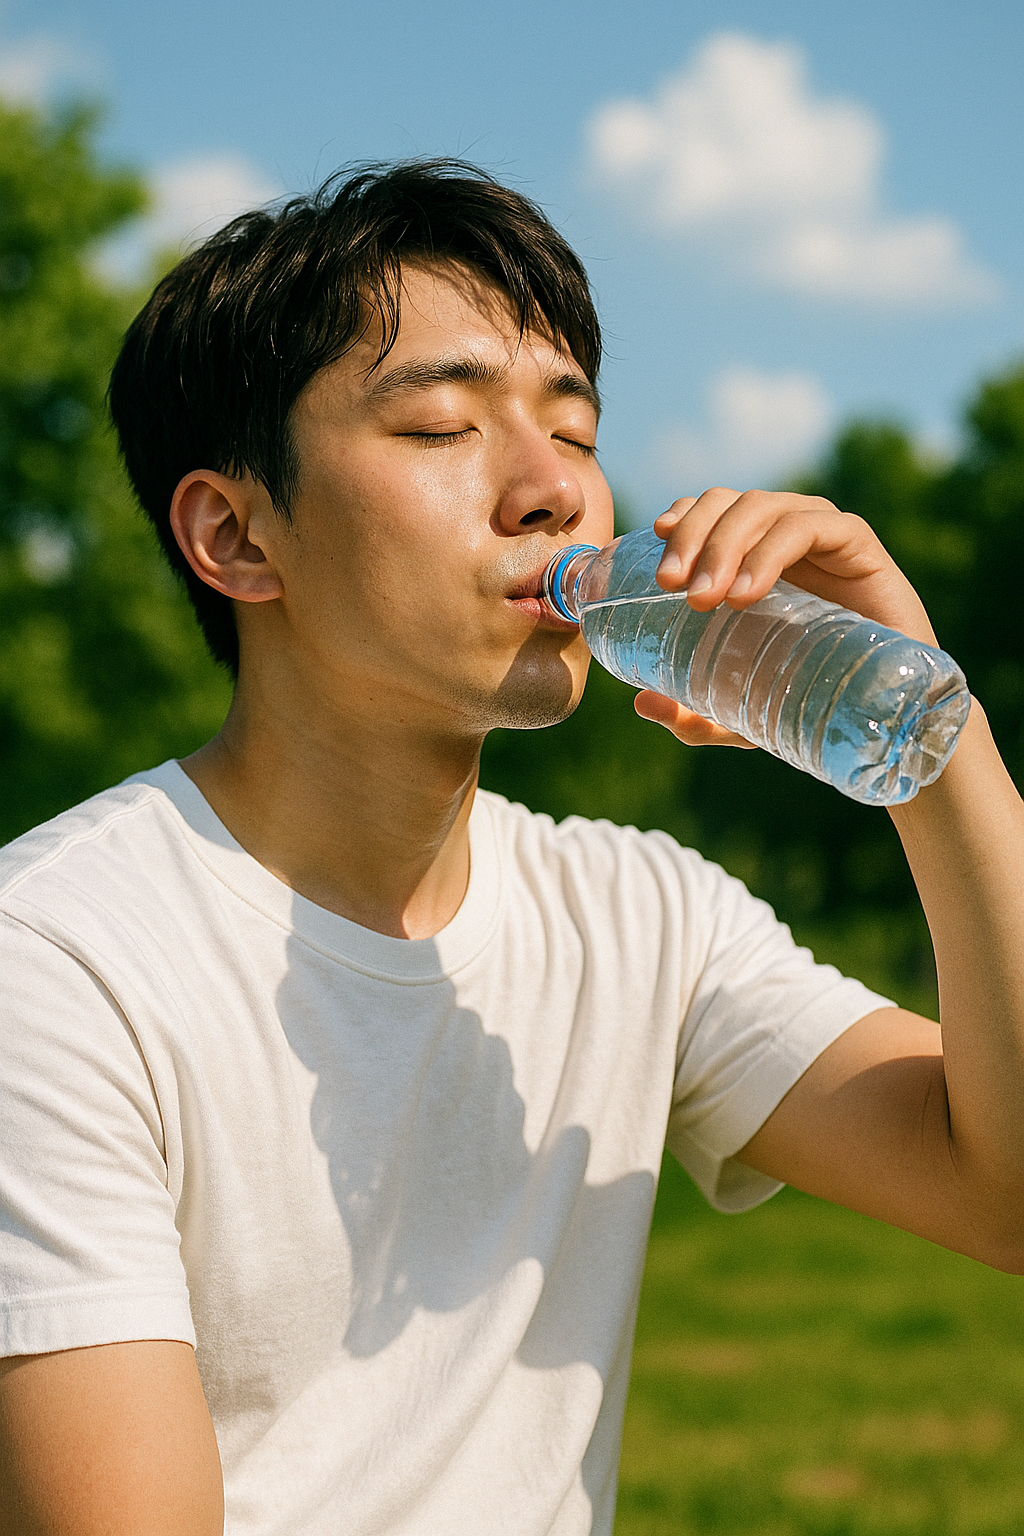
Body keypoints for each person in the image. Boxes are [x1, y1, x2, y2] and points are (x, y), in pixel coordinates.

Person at [1, 159, 1022, 1536]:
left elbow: (1006, 1195)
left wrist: (929, 725)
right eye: (439, 426)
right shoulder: (57, 963)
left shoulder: (637, 912)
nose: (552, 490)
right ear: (238, 537)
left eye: (576, 426)